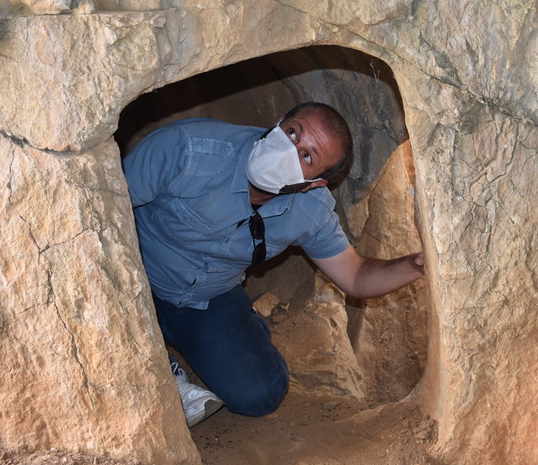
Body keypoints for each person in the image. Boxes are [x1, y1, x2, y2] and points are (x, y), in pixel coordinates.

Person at [123, 102, 425, 426]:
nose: (289, 150)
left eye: (307, 156)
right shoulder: (187, 150)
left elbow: (355, 276)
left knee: (260, 393)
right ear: (279, 121)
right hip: (135, 280)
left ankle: (240, 328)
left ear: (313, 183)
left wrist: (417, 265)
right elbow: (103, 211)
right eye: (293, 132)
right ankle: (163, 368)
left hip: (206, 299)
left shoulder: (310, 210)